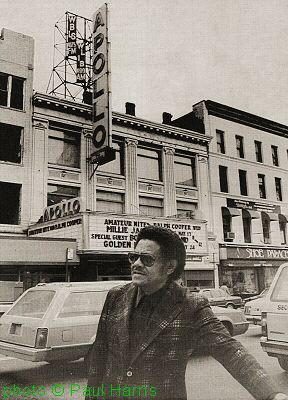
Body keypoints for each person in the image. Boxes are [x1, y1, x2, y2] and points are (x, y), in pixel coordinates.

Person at [86, 226, 287, 400]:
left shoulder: (191, 306)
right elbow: (100, 353)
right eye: (134, 257)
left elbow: (230, 350)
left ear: (170, 267)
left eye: (147, 259)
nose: (136, 263)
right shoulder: (116, 296)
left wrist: (271, 394)